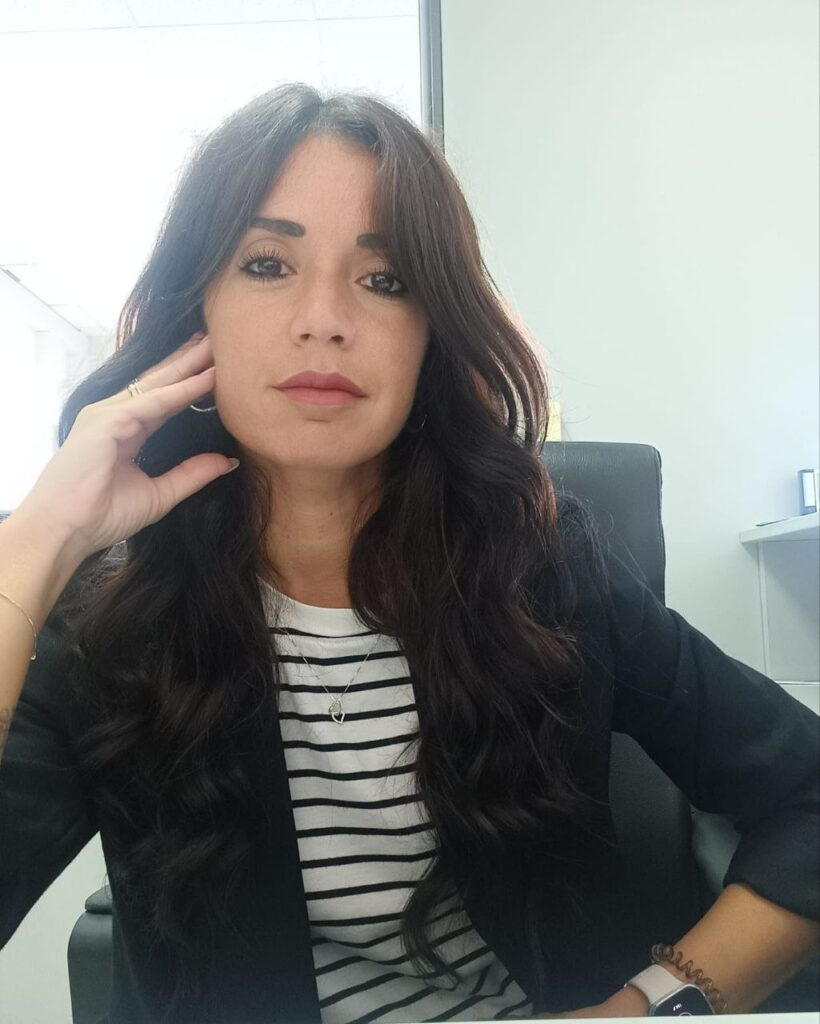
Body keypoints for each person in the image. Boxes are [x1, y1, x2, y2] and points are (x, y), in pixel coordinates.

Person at [0, 82, 817, 1024]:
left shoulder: (542, 567)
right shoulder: (108, 618)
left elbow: (808, 795)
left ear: (431, 335)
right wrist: (35, 542)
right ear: (197, 316)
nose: (323, 318)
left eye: (385, 279)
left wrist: (649, 1007)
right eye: (266, 263)